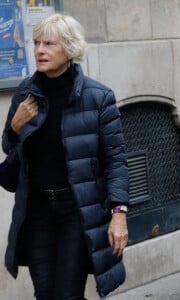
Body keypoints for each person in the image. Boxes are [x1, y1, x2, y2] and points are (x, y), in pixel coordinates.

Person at [2, 13, 129, 300]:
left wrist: (119, 215)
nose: (39, 50)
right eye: (36, 43)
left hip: (77, 211)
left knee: (67, 294)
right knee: (45, 294)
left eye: (48, 43)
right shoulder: (26, 93)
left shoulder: (98, 97)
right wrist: (14, 127)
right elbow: (9, 148)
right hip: (36, 211)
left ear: (69, 48)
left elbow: (116, 161)